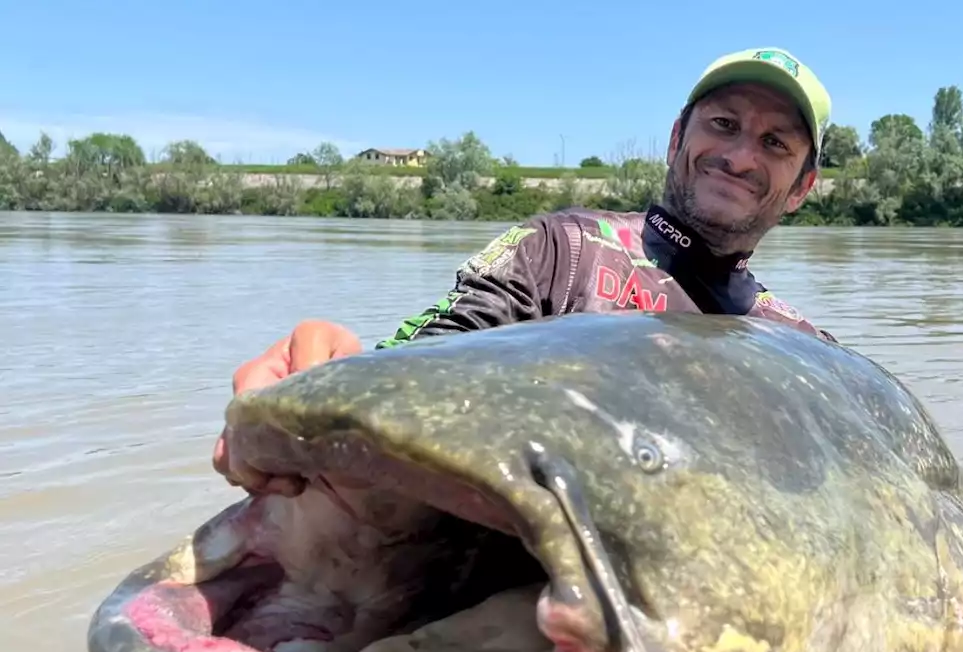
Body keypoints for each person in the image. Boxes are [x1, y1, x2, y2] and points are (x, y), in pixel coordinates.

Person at [214, 47, 837, 495]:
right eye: (723, 124)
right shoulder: (559, 251)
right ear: (677, 138)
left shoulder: (807, 353)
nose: (737, 156)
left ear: (803, 186)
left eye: (774, 143)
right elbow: (433, 357)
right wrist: (339, 374)